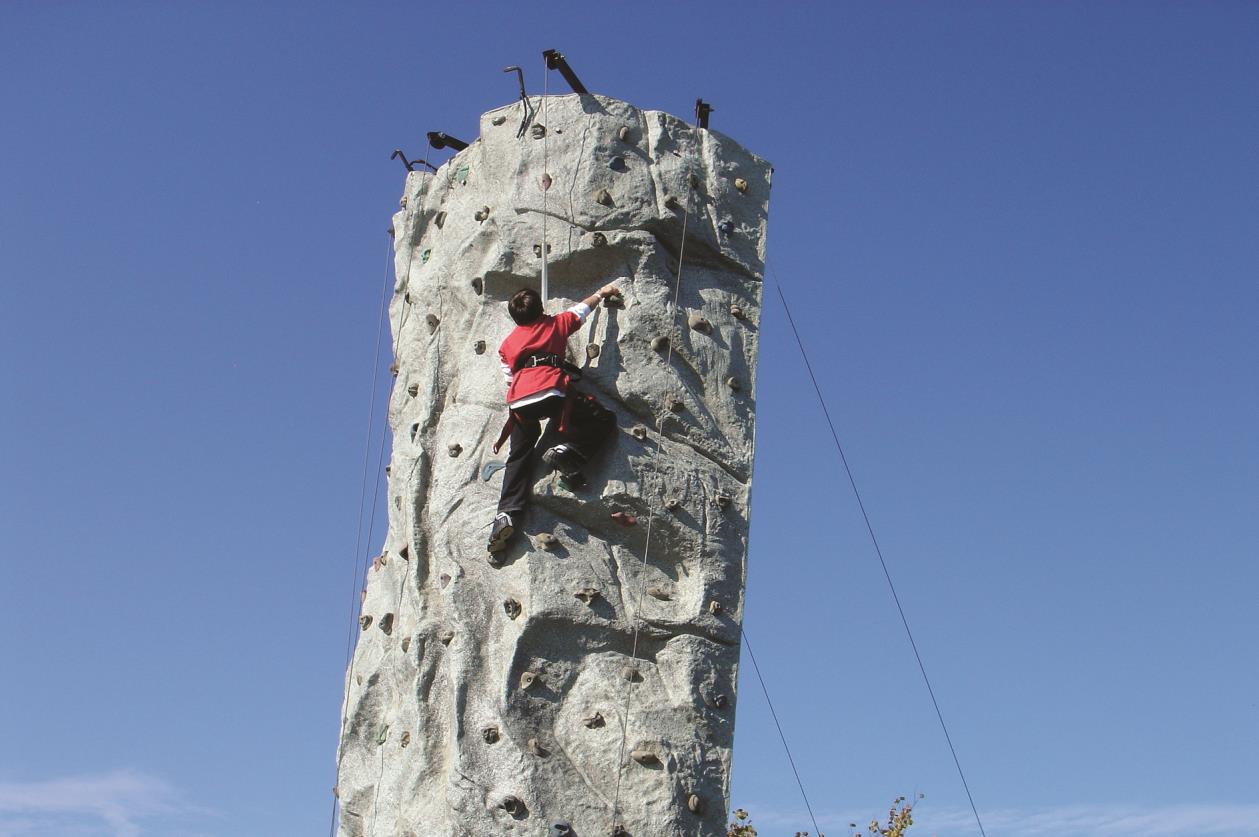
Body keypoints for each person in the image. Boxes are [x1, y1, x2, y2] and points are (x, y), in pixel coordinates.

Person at [487, 283, 620, 553]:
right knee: (602, 419)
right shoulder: (555, 324)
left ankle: (506, 514)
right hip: (551, 391)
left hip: (520, 400)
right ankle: (568, 451)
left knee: (519, 455)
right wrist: (601, 294)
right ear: (541, 309)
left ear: (515, 318)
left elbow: (508, 378)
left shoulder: (507, 344)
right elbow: (582, 310)